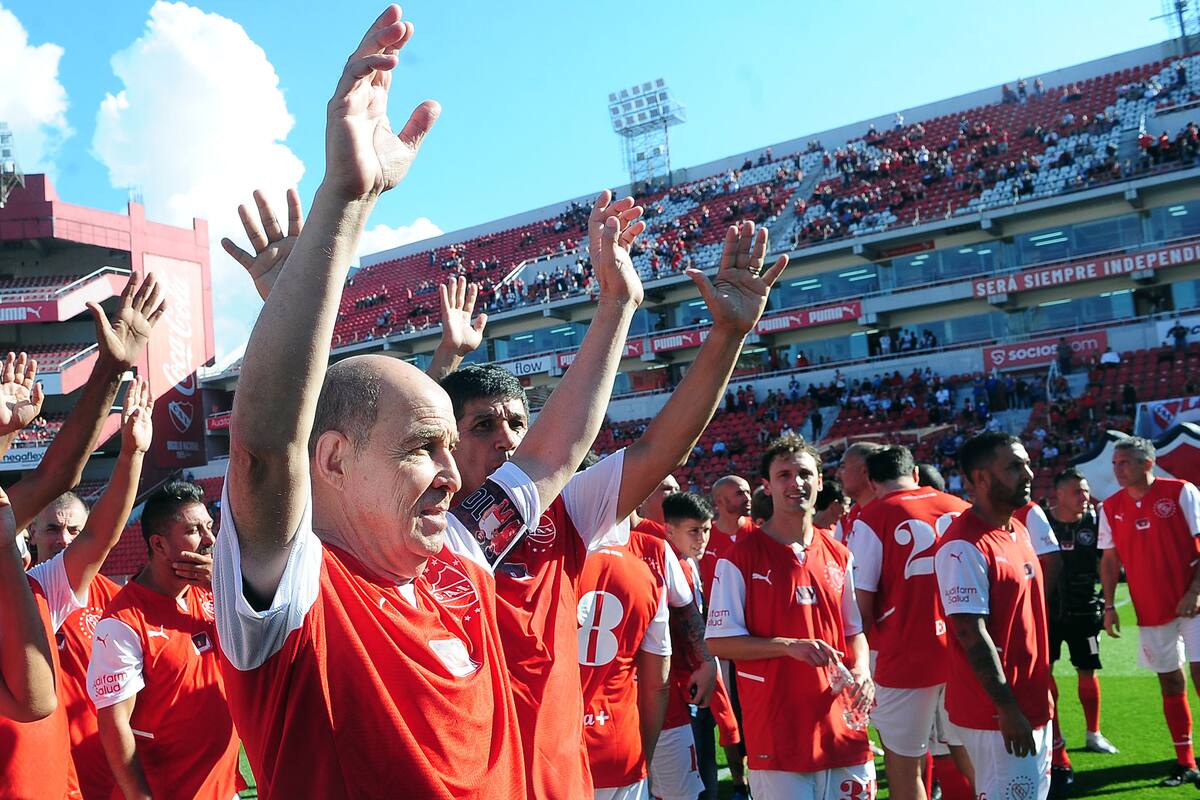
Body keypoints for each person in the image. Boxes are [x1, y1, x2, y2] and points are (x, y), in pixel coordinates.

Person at [213, 10, 648, 796]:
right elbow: (265, 448)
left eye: (450, 445)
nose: (455, 471)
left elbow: (551, 453)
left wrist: (614, 307)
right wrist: (344, 201)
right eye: (423, 446)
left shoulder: (460, 551)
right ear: (336, 459)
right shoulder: (294, 592)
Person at [438, 216, 784, 796]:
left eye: (518, 424)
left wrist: (727, 335)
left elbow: (659, 448)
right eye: (483, 426)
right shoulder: (420, 533)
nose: (506, 439)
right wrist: (447, 357)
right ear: (449, 440)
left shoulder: (563, 511)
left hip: (565, 778)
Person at [2, 275, 166, 799]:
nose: (60, 537)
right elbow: (35, 699)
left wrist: (111, 371)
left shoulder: (30, 588)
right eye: (51, 529)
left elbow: (58, 478)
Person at [31, 380, 200, 800]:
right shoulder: (32, 595)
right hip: (55, 774)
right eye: (52, 529)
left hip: (119, 777)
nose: (65, 539)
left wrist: (133, 453)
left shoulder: (117, 600)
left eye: (75, 529)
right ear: (31, 533)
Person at [707, 435, 876, 799]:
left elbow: (854, 631)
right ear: (766, 485)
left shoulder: (839, 554)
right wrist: (788, 647)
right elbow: (719, 641)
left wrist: (862, 670)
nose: (795, 483)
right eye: (783, 474)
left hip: (842, 724)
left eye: (804, 473)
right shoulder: (740, 557)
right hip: (777, 730)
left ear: (819, 481)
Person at [89, 479, 241, 800]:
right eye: (194, 530)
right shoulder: (122, 623)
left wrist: (223, 583)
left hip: (225, 788)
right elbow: (115, 725)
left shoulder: (213, 591)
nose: (209, 539)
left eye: (209, 527)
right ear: (158, 545)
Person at [935, 432, 1053, 800]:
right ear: (981, 477)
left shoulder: (1016, 528)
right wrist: (1006, 708)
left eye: (1028, 464)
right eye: (1015, 467)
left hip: (1031, 702)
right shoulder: (963, 545)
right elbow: (971, 634)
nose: (1028, 473)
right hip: (998, 714)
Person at [849, 445, 972, 800]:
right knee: (969, 754)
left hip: (903, 657)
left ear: (872, 482)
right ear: (915, 473)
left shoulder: (873, 517)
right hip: (964, 650)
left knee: (905, 765)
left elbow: (863, 603)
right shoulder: (961, 508)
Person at [1099, 436, 1200, 787]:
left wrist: (1194, 590)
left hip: (1195, 605)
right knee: (1170, 682)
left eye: (1124, 462)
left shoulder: (1181, 492)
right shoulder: (1109, 507)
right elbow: (1109, 560)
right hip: (1151, 610)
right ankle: (1186, 762)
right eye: (1114, 464)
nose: (1118, 470)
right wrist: (1109, 606)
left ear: (1147, 464)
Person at [649, 492, 745, 800]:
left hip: (694, 680)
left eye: (706, 530)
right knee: (691, 782)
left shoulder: (687, 562)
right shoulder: (664, 560)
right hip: (679, 687)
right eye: (694, 531)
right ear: (669, 530)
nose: (703, 538)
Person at [576, 531, 671, 800]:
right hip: (620, 744)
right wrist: (645, 755)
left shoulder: (548, 561)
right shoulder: (646, 570)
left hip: (552, 745)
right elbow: (657, 684)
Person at [833, 442, 884, 544]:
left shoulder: (889, 515)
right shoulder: (846, 520)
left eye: (843, 467)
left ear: (864, 470)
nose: (837, 475)